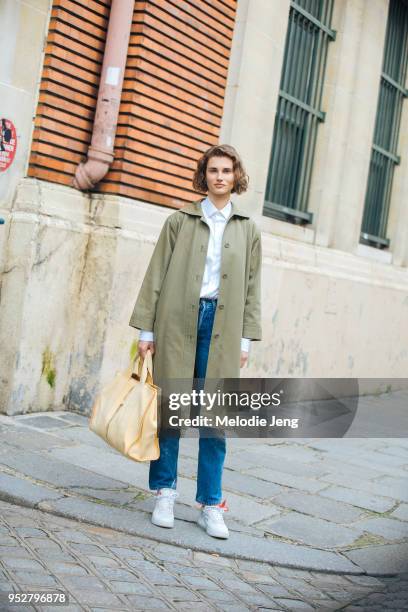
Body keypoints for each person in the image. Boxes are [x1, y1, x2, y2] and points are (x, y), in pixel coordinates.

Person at [129, 144, 262, 539]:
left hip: (222, 325)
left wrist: (245, 340)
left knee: (216, 417)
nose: (220, 177)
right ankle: (165, 492)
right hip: (177, 322)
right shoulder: (179, 221)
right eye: (213, 170)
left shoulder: (248, 229)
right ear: (203, 176)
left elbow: (252, 287)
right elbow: (156, 274)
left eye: (227, 171)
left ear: (237, 178)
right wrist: (146, 330)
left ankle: (210, 503)